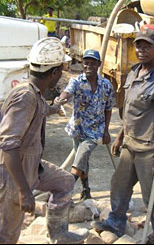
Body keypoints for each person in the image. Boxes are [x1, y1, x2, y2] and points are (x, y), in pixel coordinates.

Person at [0, 37, 88, 244]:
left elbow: (35, 113)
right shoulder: (26, 96)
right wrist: (25, 191)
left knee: (65, 182)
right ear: (54, 72)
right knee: (4, 237)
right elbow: (8, 146)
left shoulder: (33, 92)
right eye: (60, 70)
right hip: (10, 175)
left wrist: (52, 109)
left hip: (29, 165)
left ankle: (58, 234)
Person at [91, 29, 154, 243]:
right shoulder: (133, 73)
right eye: (138, 45)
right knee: (118, 185)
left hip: (149, 151)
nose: (141, 49)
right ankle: (115, 222)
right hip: (130, 146)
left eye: (147, 45)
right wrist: (121, 136)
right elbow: (131, 110)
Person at [55, 49, 115, 200]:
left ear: (99, 65)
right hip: (78, 128)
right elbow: (67, 93)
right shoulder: (76, 81)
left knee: (82, 155)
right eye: (86, 63)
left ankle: (66, 190)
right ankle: (86, 190)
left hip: (95, 130)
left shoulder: (106, 85)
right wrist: (60, 99)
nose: (89, 66)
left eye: (92, 63)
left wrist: (106, 131)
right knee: (83, 160)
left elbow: (108, 109)